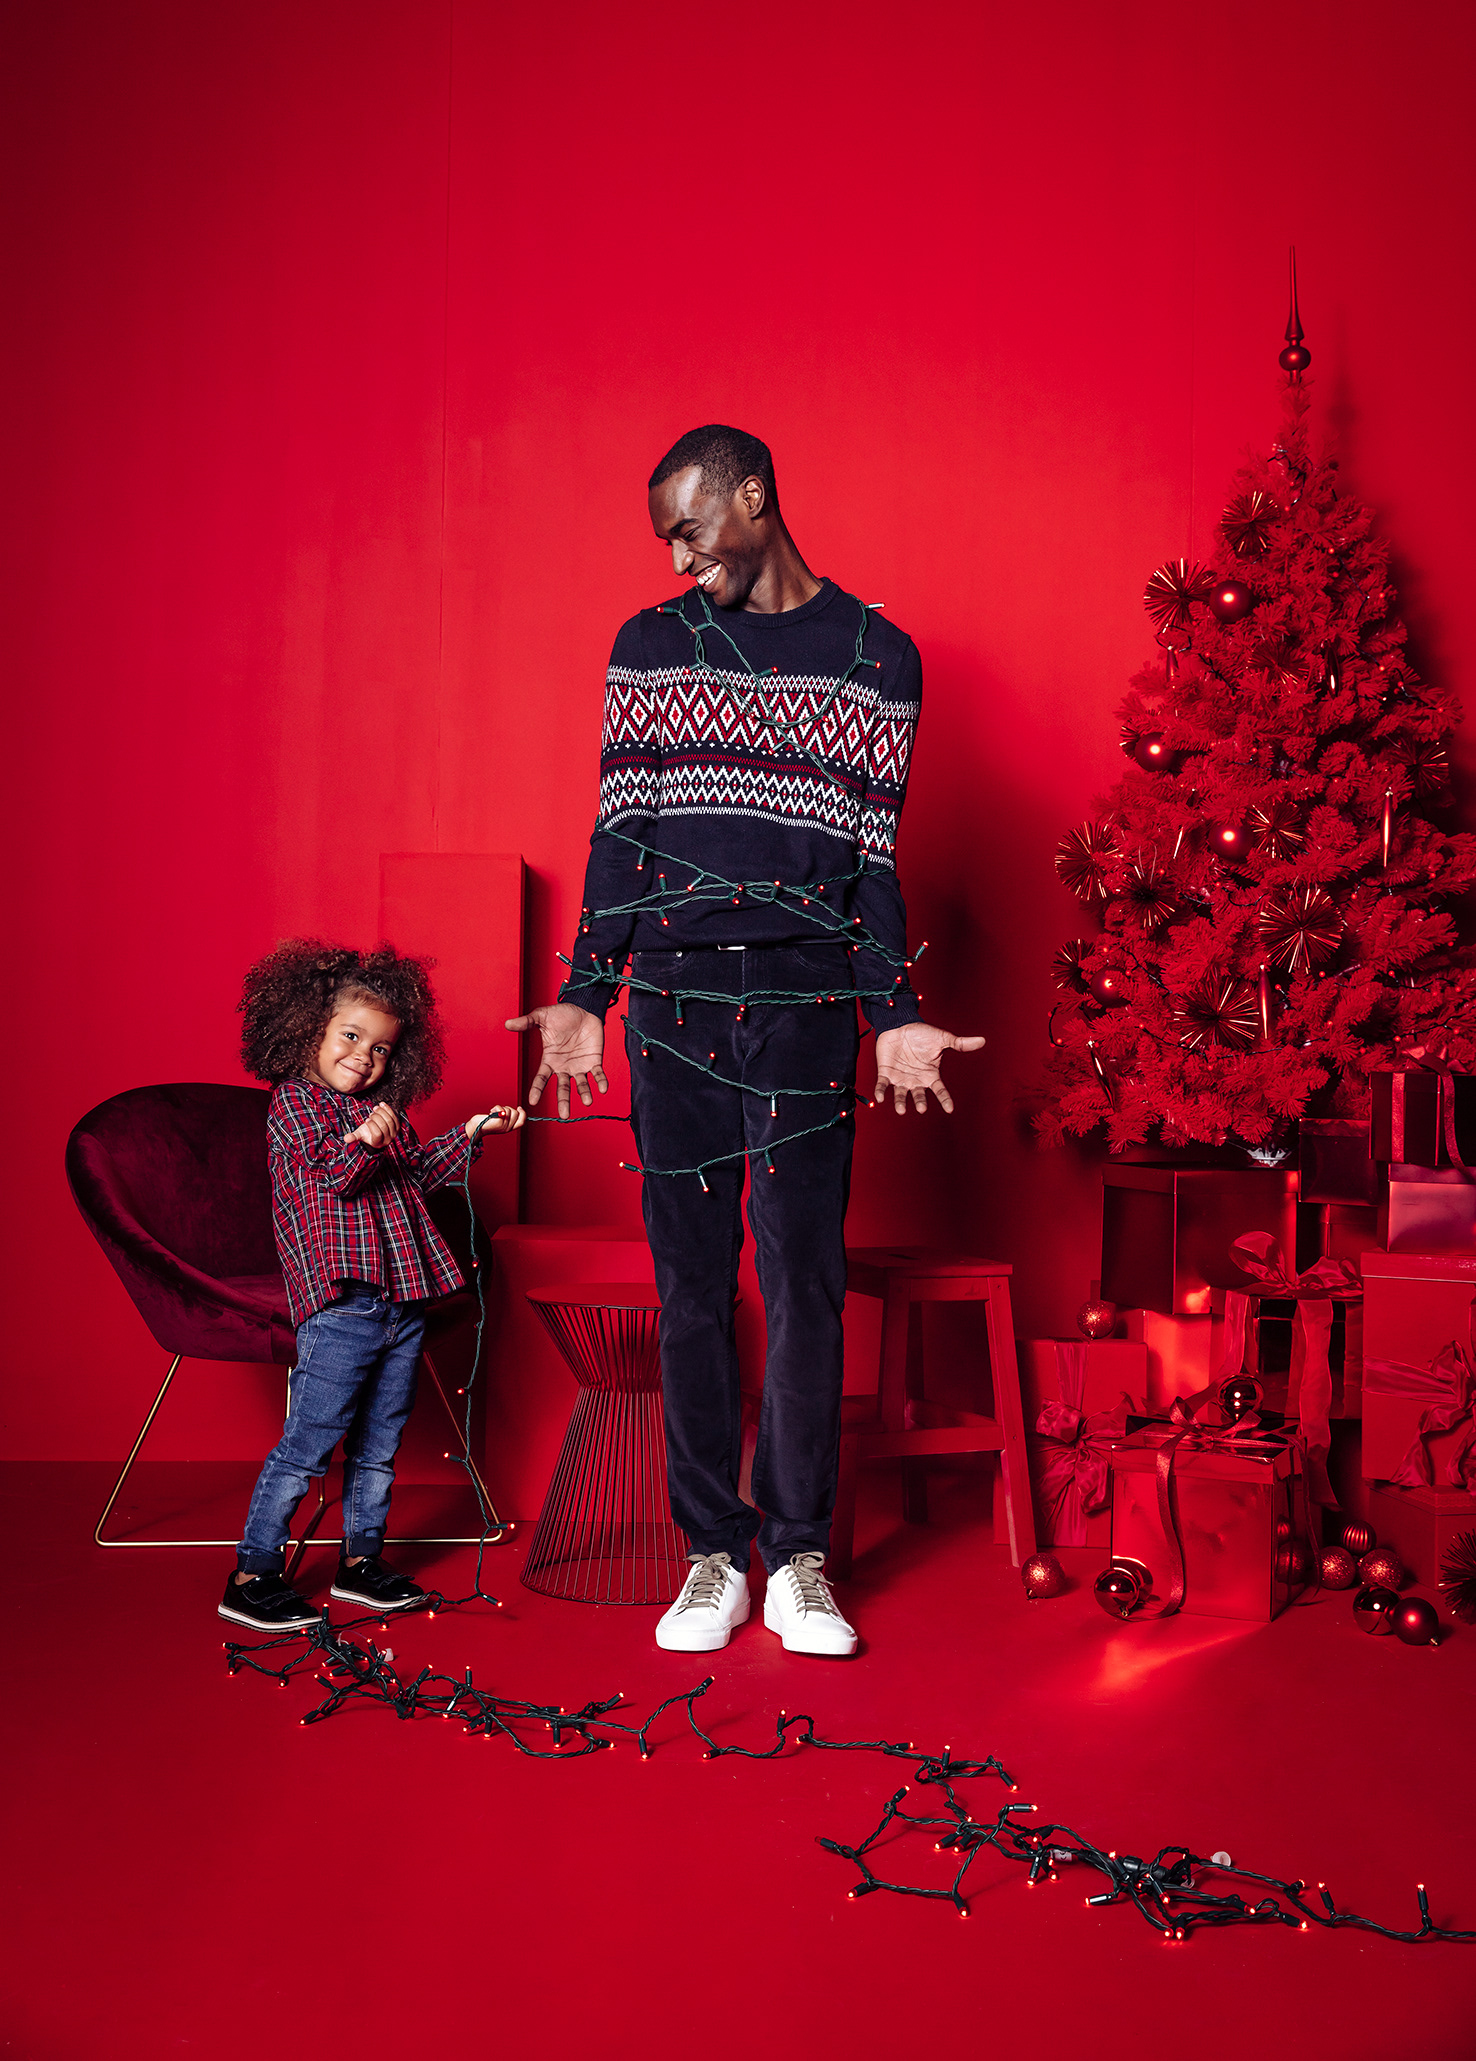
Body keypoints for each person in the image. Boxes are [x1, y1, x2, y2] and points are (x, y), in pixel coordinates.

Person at [507, 425, 982, 1658]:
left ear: (754, 498)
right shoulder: (649, 646)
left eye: (689, 529)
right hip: (672, 1004)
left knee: (804, 1279)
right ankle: (712, 1554)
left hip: (806, 1005)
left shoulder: (877, 657)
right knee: (692, 1285)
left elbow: (873, 857)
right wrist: (586, 992)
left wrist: (894, 1014)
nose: (678, 558)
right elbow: (620, 831)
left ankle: (799, 1558)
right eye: (666, 540)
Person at [220, 939, 523, 1632]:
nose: (365, 1056)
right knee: (309, 1443)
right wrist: (366, 1142)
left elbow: (415, 1177)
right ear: (308, 1030)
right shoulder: (294, 1106)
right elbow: (336, 1176)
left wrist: (471, 1132)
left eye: (382, 1048)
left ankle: (361, 1562)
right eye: (351, 1036)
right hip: (341, 1308)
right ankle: (251, 1573)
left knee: (381, 1444)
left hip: (400, 1303)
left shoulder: (384, 1111)